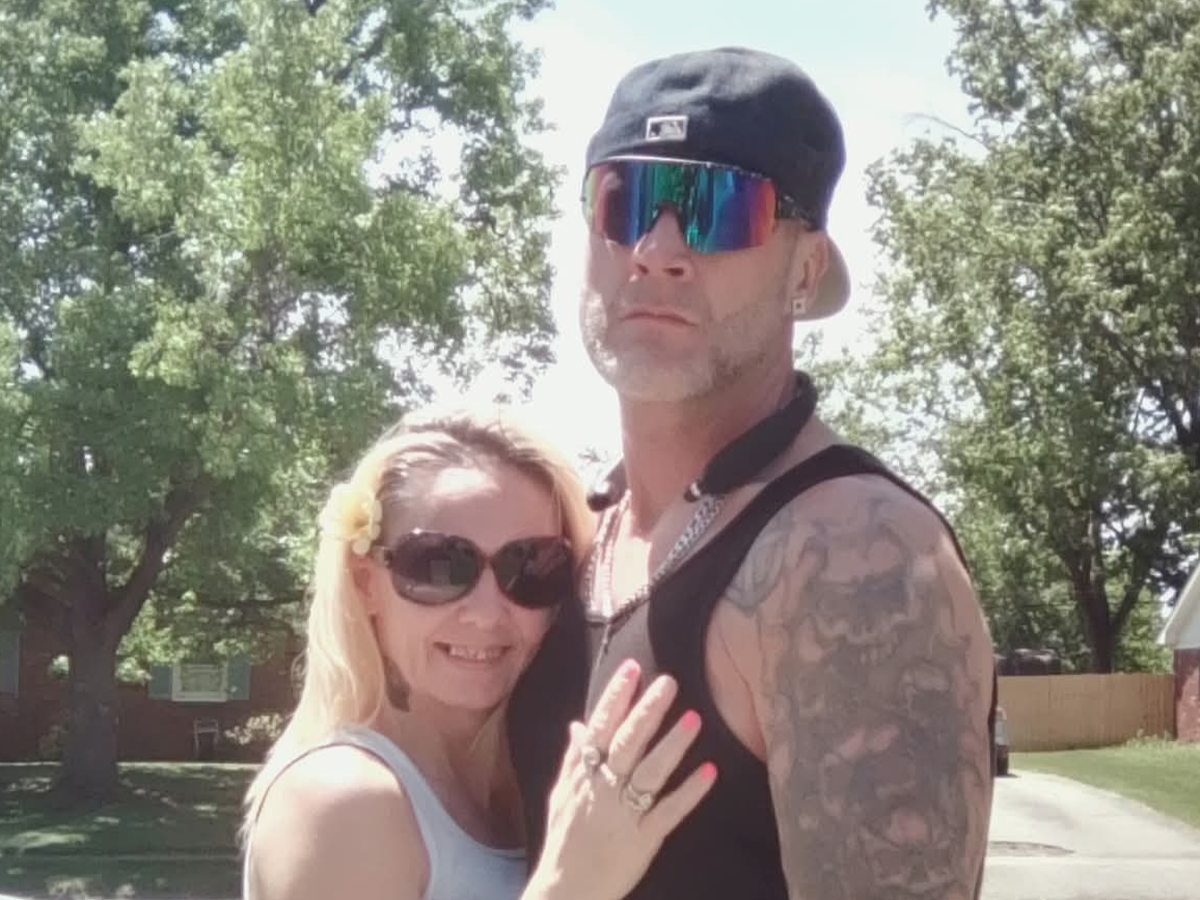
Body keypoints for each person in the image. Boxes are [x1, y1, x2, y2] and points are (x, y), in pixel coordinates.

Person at [509, 47, 998, 900]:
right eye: (625, 200)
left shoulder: (850, 556)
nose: (656, 249)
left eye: (718, 208)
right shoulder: (573, 537)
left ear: (804, 270)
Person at [241, 405, 717, 900]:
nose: (487, 614)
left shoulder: (539, 785)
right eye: (439, 566)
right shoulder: (341, 801)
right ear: (366, 584)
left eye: (530, 568)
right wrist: (569, 885)